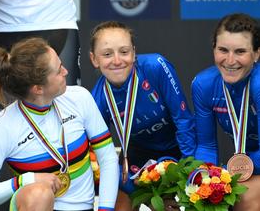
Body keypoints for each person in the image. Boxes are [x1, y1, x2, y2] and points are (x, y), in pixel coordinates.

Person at [0, 37, 118, 210]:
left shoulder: (79, 98)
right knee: (39, 194)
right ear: (38, 88)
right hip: (39, 205)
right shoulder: (4, 126)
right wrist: (25, 180)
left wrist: (106, 209)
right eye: (58, 70)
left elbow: (108, 158)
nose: (66, 71)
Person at [89, 21, 196, 211]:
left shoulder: (155, 67)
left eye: (124, 51)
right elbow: (96, 150)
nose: (117, 60)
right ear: (94, 59)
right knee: (119, 205)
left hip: (177, 150)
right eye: (107, 54)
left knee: (167, 205)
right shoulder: (97, 98)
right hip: (137, 158)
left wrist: (188, 170)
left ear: (134, 52)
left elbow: (184, 120)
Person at [193, 13, 260, 210]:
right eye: (223, 50)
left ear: (256, 53)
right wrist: (206, 177)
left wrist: (227, 174)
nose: (230, 61)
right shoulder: (204, 84)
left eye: (240, 51)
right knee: (204, 196)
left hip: (248, 166)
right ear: (213, 48)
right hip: (246, 166)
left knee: (244, 199)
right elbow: (206, 146)